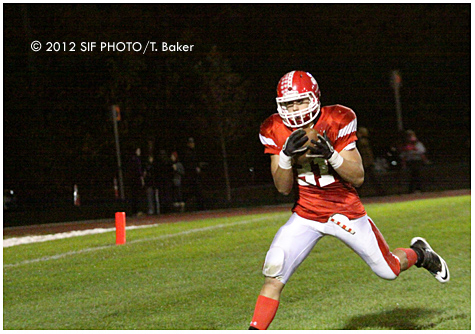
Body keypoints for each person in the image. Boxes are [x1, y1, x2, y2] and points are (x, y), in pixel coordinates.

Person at [249, 71, 449, 330]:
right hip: (306, 215)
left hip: (344, 212)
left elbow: (358, 177)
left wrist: (332, 155)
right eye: (288, 104)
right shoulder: (273, 128)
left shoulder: (338, 118)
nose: (295, 109)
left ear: (315, 98)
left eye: (300, 101)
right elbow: (283, 187)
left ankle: (421, 253)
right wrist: (285, 157)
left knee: (388, 270)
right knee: (273, 272)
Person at [356, 127, 385, 196]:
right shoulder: (361, 141)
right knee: (369, 178)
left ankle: (380, 191)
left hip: (366, 162)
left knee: (372, 177)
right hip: (364, 162)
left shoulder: (364, 141)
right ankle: (380, 191)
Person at [182, 137, 205, 210]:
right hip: (191, 176)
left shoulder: (193, 152)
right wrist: (195, 168)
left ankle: (200, 206)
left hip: (194, 175)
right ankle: (185, 205)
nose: (193, 144)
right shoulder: (187, 153)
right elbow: (188, 164)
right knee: (193, 191)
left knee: (197, 191)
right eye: (191, 143)